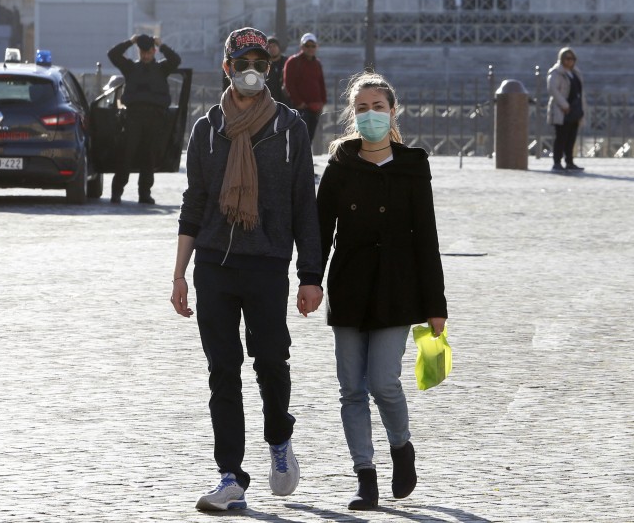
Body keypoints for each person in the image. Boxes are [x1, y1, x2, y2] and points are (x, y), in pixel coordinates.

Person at [170, 27, 323, 512]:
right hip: (215, 264)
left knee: (272, 361)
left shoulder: (290, 128)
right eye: (242, 62)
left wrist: (310, 275)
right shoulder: (206, 129)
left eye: (259, 61)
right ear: (227, 68)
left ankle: (279, 438)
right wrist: (179, 273)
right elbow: (193, 204)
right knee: (223, 372)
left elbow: (305, 207)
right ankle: (230, 475)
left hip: (267, 264)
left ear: (269, 67)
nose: (251, 69)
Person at [316, 71, 448, 511]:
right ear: (351, 115)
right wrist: (310, 279)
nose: (370, 114)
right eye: (362, 107)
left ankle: (402, 447)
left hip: (397, 288)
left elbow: (426, 237)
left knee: (383, 381)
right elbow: (320, 230)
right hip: (349, 286)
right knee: (350, 388)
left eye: (378, 106)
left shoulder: (413, 164)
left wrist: (435, 305)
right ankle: (364, 475)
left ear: (392, 111)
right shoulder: (339, 164)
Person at [107, 33, 181, 204]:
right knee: (127, 154)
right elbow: (113, 55)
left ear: (154, 52)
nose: (146, 56)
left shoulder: (162, 69)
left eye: (149, 52)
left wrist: (162, 45)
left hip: (155, 117)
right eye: (142, 53)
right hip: (134, 116)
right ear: (139, 52)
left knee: (149, 156)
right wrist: (130, 42)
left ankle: (144, 193)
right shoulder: (131, 68)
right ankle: (117, 191)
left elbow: (176, 60)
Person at [546, 47, 585, 172]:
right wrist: (564, 105)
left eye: (572, 59)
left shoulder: (575, 73)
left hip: (574, 109)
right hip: (562, 110)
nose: (570, 61)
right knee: (561, 136)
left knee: (571, 137)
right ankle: (557, 162)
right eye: (567, 58)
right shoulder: (556, 72)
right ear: (562, 59)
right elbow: (553, 90)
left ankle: (569, 161)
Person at [283, 32, 327, 143]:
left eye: (313, 46)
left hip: (315, 107)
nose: (310, 48)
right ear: (301, 47)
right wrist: (299, 102)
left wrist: (322, 101)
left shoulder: (317, 63)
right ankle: (299, 159)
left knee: (310, 135)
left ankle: (306, 159)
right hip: (300, 107)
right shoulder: (293, 62)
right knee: (300, 136)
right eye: (307, 46)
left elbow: (321, 82)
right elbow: (289, 84)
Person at [264, 35, 291, 106]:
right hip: (271, 104)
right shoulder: (264, 65)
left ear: (279, 47)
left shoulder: (288, 62)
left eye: (274, 46)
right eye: (270, 47)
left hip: (288, 103)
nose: (272, 48)